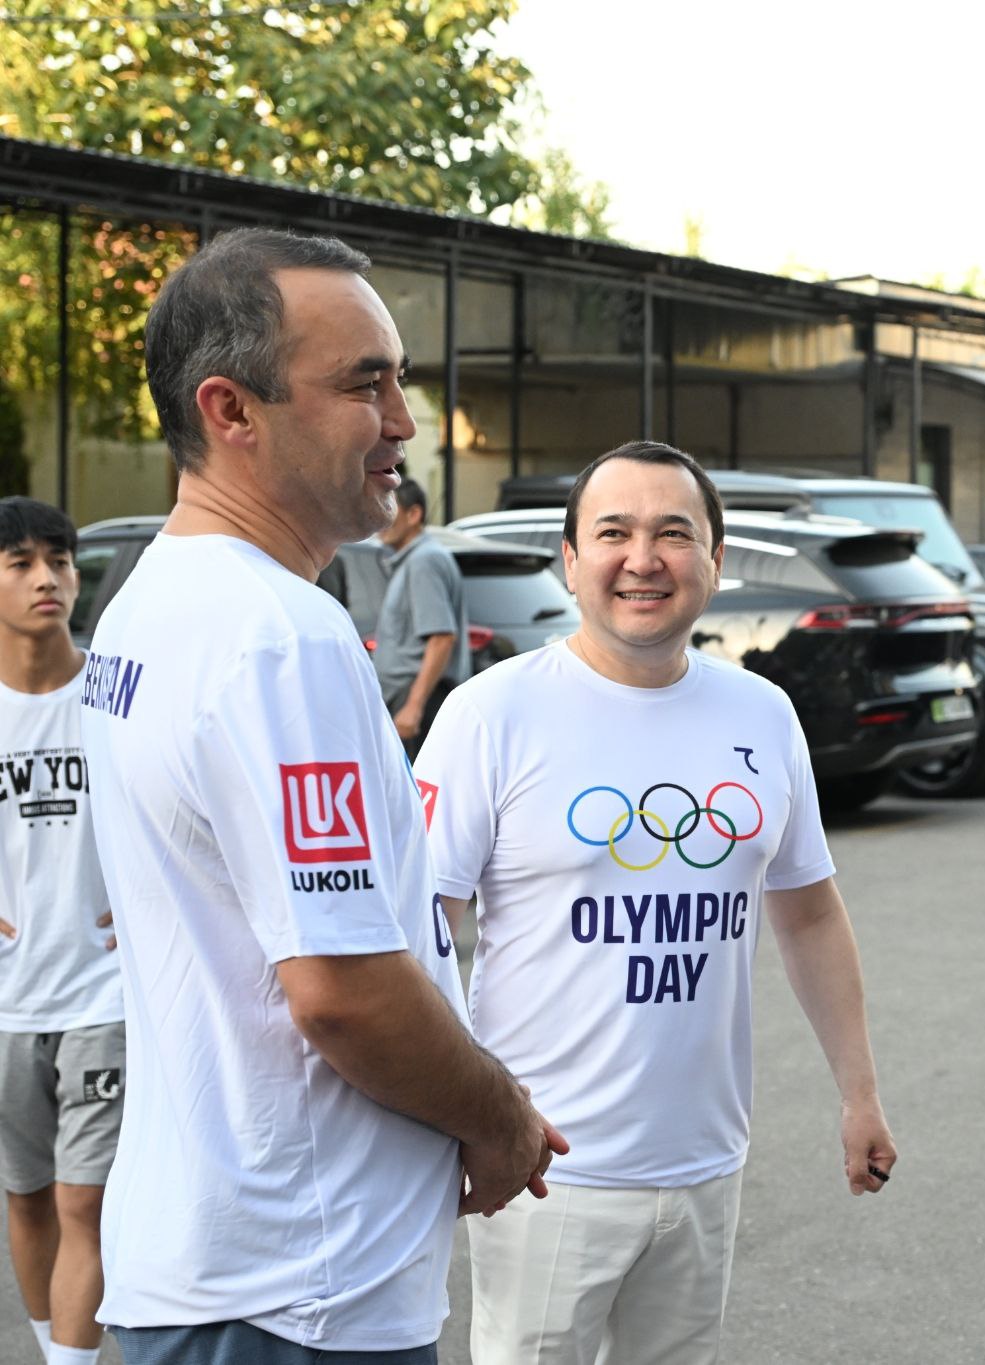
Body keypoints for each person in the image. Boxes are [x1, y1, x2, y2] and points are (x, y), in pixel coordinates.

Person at [79, 226, 565, 1364]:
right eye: (364, 384)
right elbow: (344, 990)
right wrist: (500, 1122)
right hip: (298, 1288)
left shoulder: (148, 603)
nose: (403, 421)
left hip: (216, 1264)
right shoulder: (278, 635)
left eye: (400, 380)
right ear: (230, 410)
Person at [415, 440, 896, 1365]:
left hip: (706, 1163)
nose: (644, 559)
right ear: (570, 560)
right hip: (545, 1168)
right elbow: (421, 934)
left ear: (715, 559)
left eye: (674, 533)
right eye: (613, 533)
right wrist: (457, 1119)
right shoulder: (490, 714)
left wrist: (860, 1094)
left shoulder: (761, 714)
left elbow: (808, 912)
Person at [0, 498, 120, 1365]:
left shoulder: (112, 694)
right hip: (9, 998)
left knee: (87, 1201)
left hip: (104, 992)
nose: (48, 578)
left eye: (62, 560)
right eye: (22, 562)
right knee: (28, 1196)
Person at [373, 477, 469, 755]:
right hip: (410, 699)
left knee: (415, 782)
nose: (381, 519)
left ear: (414, 514)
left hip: (416, 703)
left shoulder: (424, 560)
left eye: (389, 507)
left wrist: (414, 706)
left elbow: (441, 637)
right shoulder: (417, 558)